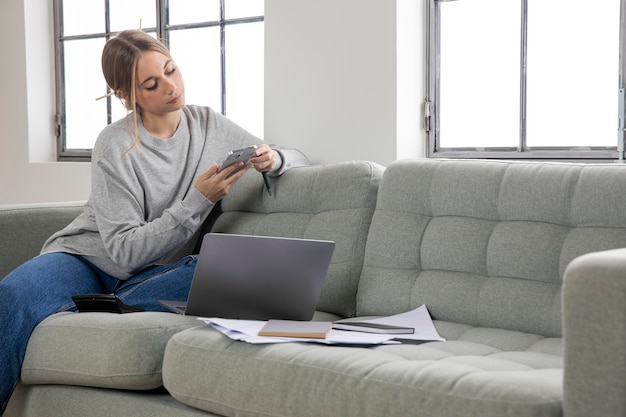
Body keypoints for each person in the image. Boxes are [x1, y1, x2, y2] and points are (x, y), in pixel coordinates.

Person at [0, 29, 308, 412]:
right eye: (151, 84)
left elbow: (295, 157)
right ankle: (98, 301)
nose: (170, 87)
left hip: (154, 275)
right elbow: (124, 253)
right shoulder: (115, 143)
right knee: (12, 295)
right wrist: (199, 199)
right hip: (85, 261)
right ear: (126, 97)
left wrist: (273, 158)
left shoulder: (209, 125)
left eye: (171, 70)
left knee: (252, 275)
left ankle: (102, 304)